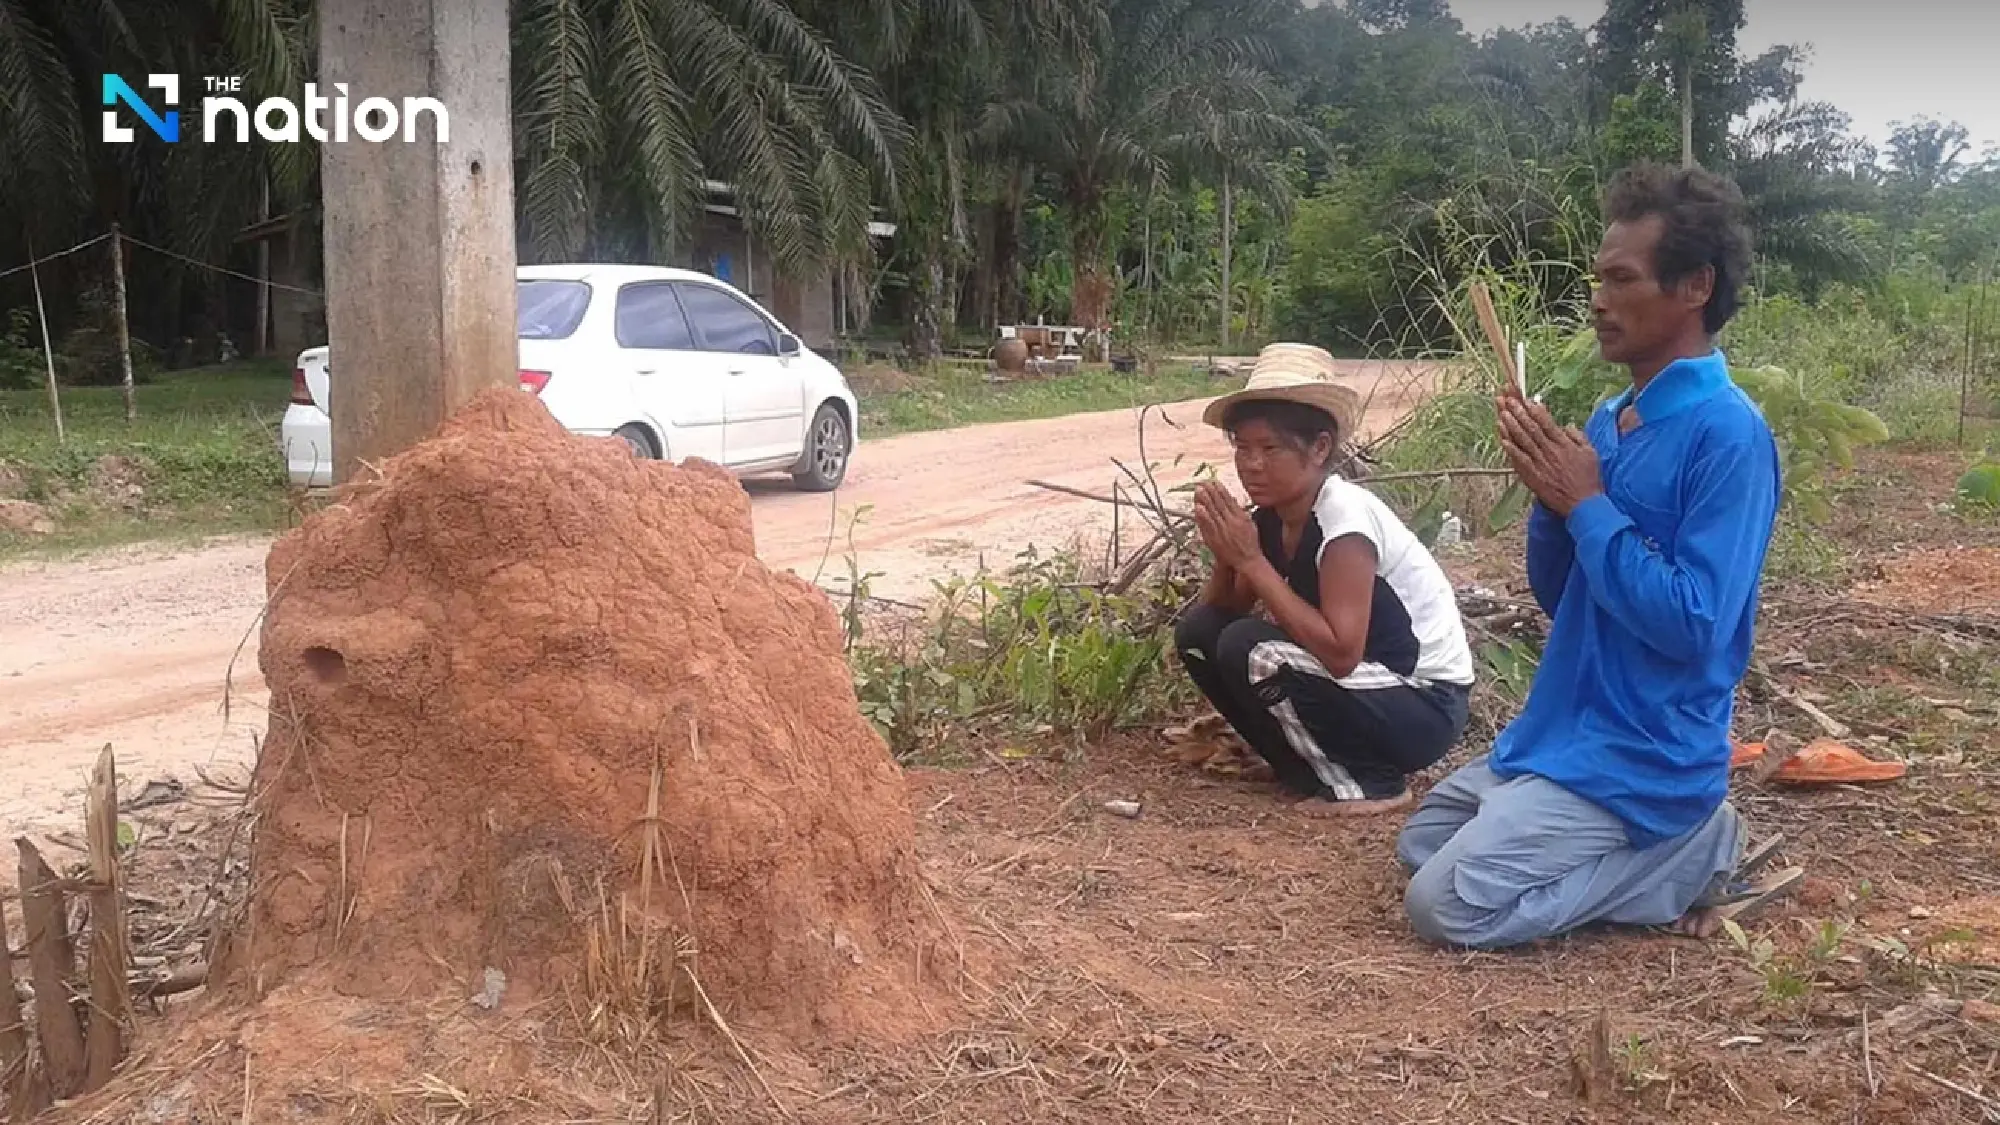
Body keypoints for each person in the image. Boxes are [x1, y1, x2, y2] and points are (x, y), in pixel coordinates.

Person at [1397, 163, 1797, 949]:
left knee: (1442, 905)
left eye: (1621, 279)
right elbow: (1562, 595)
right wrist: (1553, 501)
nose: (1597, 300)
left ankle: (1690, 845)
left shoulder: (1729, 434)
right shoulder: (1614, 419)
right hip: (1561, 740)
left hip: (1643, 756)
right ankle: (1662, 858)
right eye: (1596, 278)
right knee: (1421, 844)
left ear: (1694, 287)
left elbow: (1694, 625)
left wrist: (1587, 504)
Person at [1177, 343, 1476, 817]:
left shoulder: (1344, 523)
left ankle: (1372, 784)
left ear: (1319, 448)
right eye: (1242, 448)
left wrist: (1252, 561)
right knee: (1201, 634)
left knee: (1253, 648)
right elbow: (1221, 614)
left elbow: (1340, 653)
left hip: (1423, 706)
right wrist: (1226, 555)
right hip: (1367, 690)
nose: (1251, 464)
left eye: (1269, 448)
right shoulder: (1275, 518)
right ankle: (1297, 766)